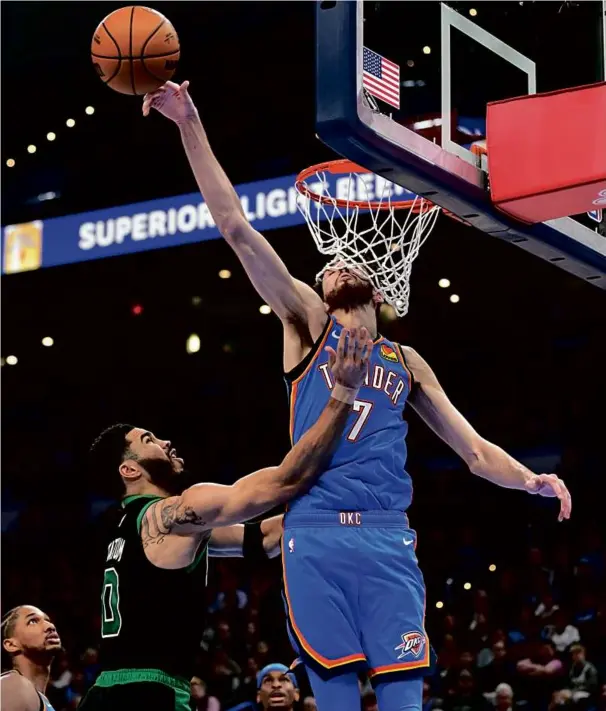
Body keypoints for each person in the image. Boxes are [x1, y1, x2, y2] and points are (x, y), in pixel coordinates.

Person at [143, 80, 572, 711]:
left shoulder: (406, 361)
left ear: (382, 286)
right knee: (338, 697)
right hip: (312, 533)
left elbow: (476, 452)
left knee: (404, 697)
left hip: (386, 535)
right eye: (327, 265)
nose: (339, 262)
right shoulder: (304, 324)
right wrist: (189, 122)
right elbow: (235, 227)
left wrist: (530, 480)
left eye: (350, 261)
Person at [76, 327, 371, 711]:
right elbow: (285, 480)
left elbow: (265, 539)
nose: (165, 442)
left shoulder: (131, 529)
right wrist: (343, 393)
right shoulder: (173, 514)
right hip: (148, 695)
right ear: (129, 470)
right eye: (149, 440)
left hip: (103, 695)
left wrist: (348, 513)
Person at [1, 605, 62, 711]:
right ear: (11, 645)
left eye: (47, 620)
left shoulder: (35, 697)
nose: (50, 626)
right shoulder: (14, 686)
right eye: (33, 621)